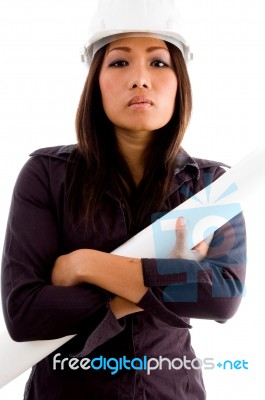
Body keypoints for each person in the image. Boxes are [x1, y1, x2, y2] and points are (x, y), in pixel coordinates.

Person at [1, 0, 246, 399]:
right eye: (118, 63)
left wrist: (86, 263)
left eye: (158, 63)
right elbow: (24, 313)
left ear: (180, 80)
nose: (140, 79)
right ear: (95, 79)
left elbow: (222, 297)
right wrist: (165, 276)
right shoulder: (46, 174)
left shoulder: (209, 185)